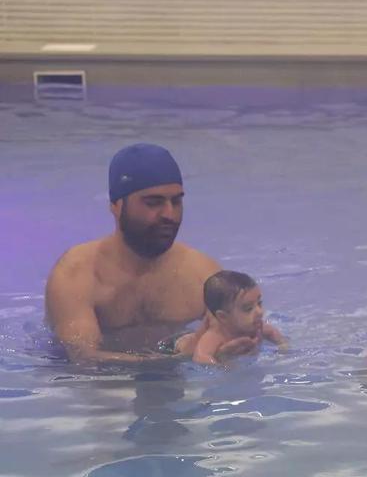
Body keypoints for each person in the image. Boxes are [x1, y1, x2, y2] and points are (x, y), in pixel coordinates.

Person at [44, 143, 251, 364]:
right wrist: (179, 358)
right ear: (116, 205)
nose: (169, 214)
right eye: (153, 202)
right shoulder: (76, 275)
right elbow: (84, 360)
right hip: (94, 385)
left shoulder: (203, 275)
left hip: (177, 379)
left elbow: (235, 339)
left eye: (176, 201)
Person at [189, 271, 286, 365]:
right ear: (223, 317)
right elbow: (200, 357)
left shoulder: (257, 326)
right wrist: (221, 366)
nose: (259, 312)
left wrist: (283, 347)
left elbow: (273, 333)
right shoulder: (217, 335)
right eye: (248, 309)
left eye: (259, 303)